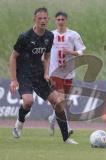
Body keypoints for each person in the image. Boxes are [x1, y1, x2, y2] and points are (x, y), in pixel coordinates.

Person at [9, 7, 78, 144]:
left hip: (39, 75)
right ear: (35, 19)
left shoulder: (49, 36)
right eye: (39, 18)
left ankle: (66, 137)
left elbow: (46, 57)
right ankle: (19, 123)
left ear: (48, 19)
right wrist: (14, 80)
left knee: (58, 102)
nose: (43, 21)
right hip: (24, 74)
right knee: (28, 102)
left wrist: (46, 73)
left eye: (45, 18)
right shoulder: (25, 36)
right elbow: (13, 57)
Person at [47, 11, 86, 136]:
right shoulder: (50, 35)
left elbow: (81, 52)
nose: (60, 21)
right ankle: (67, 128)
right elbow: (45, 54)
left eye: (62, 19)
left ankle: (53, 118)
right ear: (55, 21)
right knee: (61, 99)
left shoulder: (73, 35)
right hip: (55, 72)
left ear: (66, 20)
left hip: (69, 73)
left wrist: (71, 52)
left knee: (62, 102)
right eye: (58, 19)